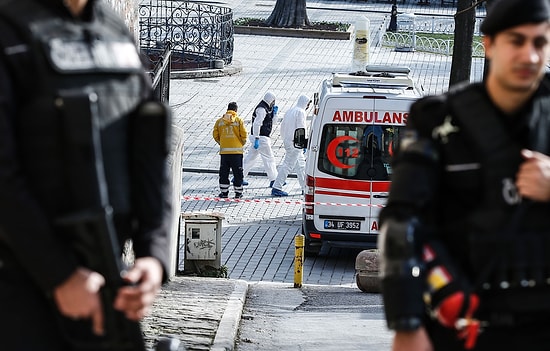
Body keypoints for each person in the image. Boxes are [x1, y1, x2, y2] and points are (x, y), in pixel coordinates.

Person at [378, 0, 550, 350]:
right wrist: (406, 324)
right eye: (516, 41)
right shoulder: (435, 119)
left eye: (540, 42)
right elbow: (400, 224)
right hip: (463, 328)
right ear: (488, 45)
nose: (530, 56)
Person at [0, 0, 171, 350]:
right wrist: (58, 275)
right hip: (21, 284)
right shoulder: (8, 32)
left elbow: (150, 149)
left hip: (107, 276)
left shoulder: (114, 31)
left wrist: (154, 256)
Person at [271, 94, 310, 197]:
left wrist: (285, 139)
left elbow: (282, 126)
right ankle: (277, 186)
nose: (308, 107)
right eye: (308, 104)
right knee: (288, 165)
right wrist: (303, 142)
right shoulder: (301, 112)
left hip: (289, 141)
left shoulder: (290, 111)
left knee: (301, 166)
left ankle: (304, 187)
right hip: (296, 143)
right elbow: (301, 128)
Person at [242, 92, 279, 187]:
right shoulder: (262, 109)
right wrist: (257, 138)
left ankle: (239, 176)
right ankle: (274, 179)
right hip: (261, 138)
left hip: (261, 137)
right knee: (269, 159)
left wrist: (275, 114)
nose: (273, 103)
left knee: (251, 158)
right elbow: (257, 124)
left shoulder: (268, 108)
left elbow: (273, 122)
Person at [213, 102, 247, 199]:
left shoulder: (220, 121)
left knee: (224, 173)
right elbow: (244, 135)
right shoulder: (239, 121)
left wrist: (221, 142)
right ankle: (238, 193)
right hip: (237, 153)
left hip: (224, 153)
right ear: (236, 110)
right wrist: (241, 143)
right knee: (238, 173)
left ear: (228, 109)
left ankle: (224, 192)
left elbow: (215, 135)